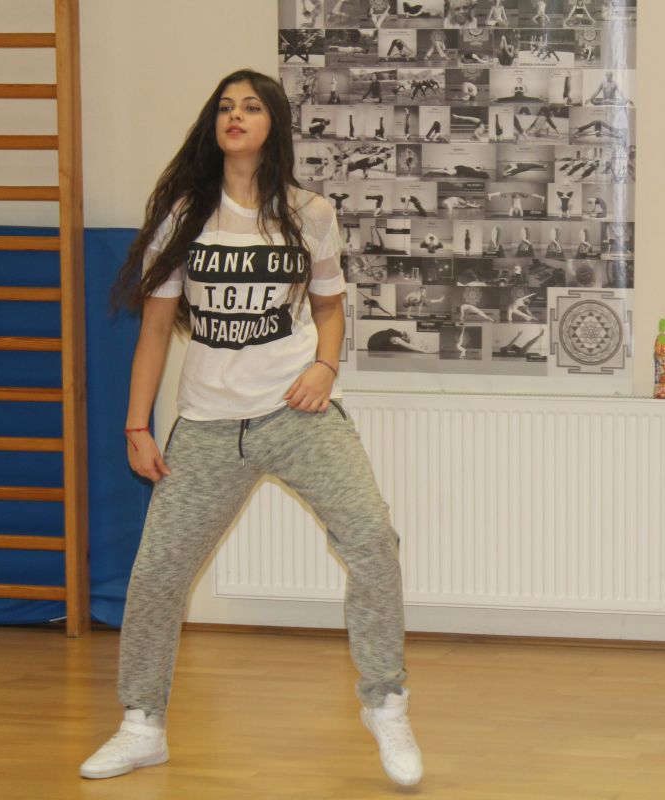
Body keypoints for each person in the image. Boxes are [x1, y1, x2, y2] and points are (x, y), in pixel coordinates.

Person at [85, 70, 423, 788]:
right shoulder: (185, 216)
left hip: (297, 414)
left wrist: (325, 366)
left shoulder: (310, 213)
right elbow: (155, 330)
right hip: (208, 425)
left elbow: (329, 307)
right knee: (157, 574)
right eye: (225, 107)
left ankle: (385, 702)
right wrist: (136, 425)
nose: (235, 116)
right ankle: (141, 726)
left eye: (250, 106)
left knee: (371, 538)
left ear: (273, 125)